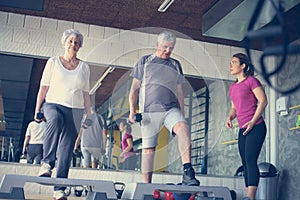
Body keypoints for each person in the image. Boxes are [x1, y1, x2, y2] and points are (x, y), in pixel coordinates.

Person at [128, 30, 200, 186]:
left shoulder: (175, 64)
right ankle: (146, 185)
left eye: (171, 48)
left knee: (183, 128)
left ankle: (188, 172)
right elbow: (134, 88)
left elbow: (180, 91)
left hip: (170, 109)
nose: (168, 51)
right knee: (149, 150)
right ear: (157, 45)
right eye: (165, 47)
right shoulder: (145, 61)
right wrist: (133, 110)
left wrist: (183, 114)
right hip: (149, 111)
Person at [34, 29, 91, 200]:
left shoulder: (84, 67)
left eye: (76, 42)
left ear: (80, 46)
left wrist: (89, 115)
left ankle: (59, 189)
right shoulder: (53, 62)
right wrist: (37, 110)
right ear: (65, 43)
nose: (73, 44)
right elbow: (43, 87)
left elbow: (86, 93)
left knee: (66, 150)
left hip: (75, 110)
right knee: (56, 120)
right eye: (70, 41)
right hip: (52, 105)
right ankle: (46, 163)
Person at [225, 53, 268, 200]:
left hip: (256, 126)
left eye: (234, 62)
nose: (230, 65)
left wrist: (252, 121)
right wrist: (230, 117)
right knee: (244, 162)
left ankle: (250, 197)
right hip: (243, 128)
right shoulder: (233, 87)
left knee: (250, 160)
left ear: (243, 66)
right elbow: (234, 108)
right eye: (230, 62)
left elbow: (263, 101)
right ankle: (248, 195)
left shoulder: (251, 81)